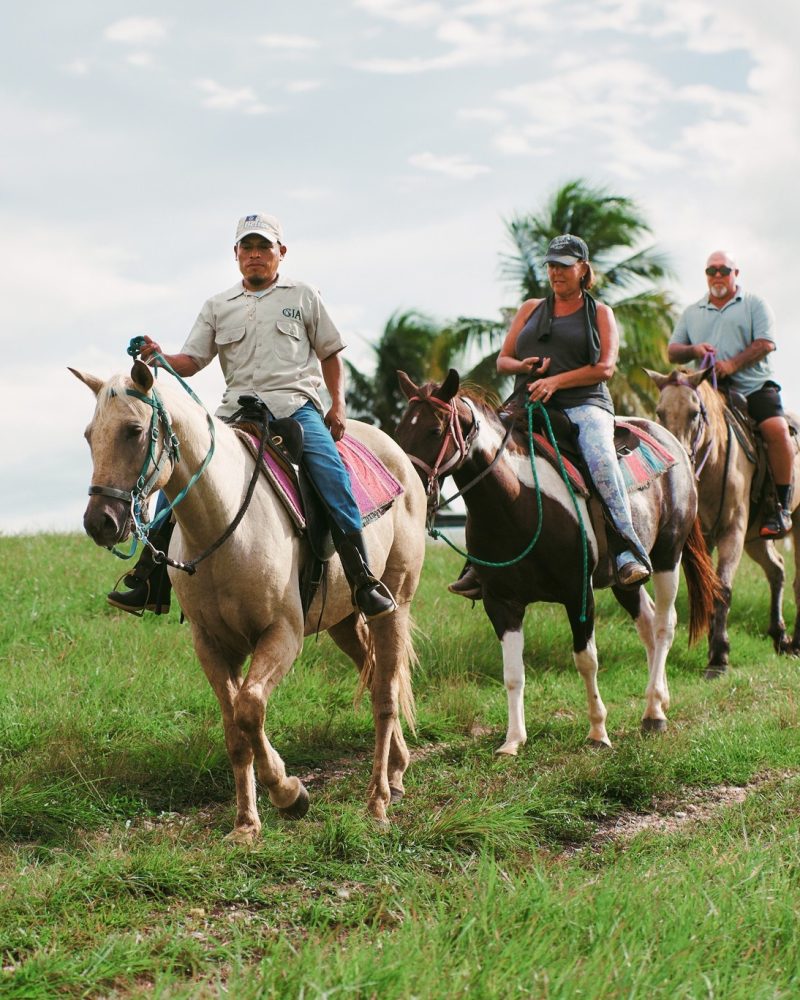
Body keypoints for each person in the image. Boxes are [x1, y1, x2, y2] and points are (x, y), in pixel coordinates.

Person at [108, 212, 396, 619]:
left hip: (295, 409)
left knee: (333, 478)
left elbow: (331, 353)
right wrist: (160, 357)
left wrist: (338, 405)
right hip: (235, 414)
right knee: (182, 472)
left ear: (281, 252)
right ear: (236, 254)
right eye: (248, 247)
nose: (256, 255)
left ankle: (363, 579)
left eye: (264, 247)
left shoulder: (303, 296)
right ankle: (148, 577)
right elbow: (191, 361)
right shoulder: (218, 305)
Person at [449, 233, 652, 599]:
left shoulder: (600, 313)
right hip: (528, 399)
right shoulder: (530, 309)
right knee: (484, 453)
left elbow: (605, 368)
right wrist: (522, 365)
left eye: (564, 265)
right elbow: (503, 359)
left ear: (583, 269)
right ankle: (479, 561)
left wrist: (557, 381)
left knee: (601, 460)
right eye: (551, 265)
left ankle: (626, 549)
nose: (555, 272)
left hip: (585, 404)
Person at [668, 250, 794, 538]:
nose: (717, 276)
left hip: (754, 387)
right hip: (710, 392)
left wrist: (732, 364)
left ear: (735, 273)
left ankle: (782, 507)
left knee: (776, 429)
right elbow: (673, 351)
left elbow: (765, 343)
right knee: (677, 424)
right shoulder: (692, 311)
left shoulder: (753, 304)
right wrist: (694, 349)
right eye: (711, 271)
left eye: (723, 270)